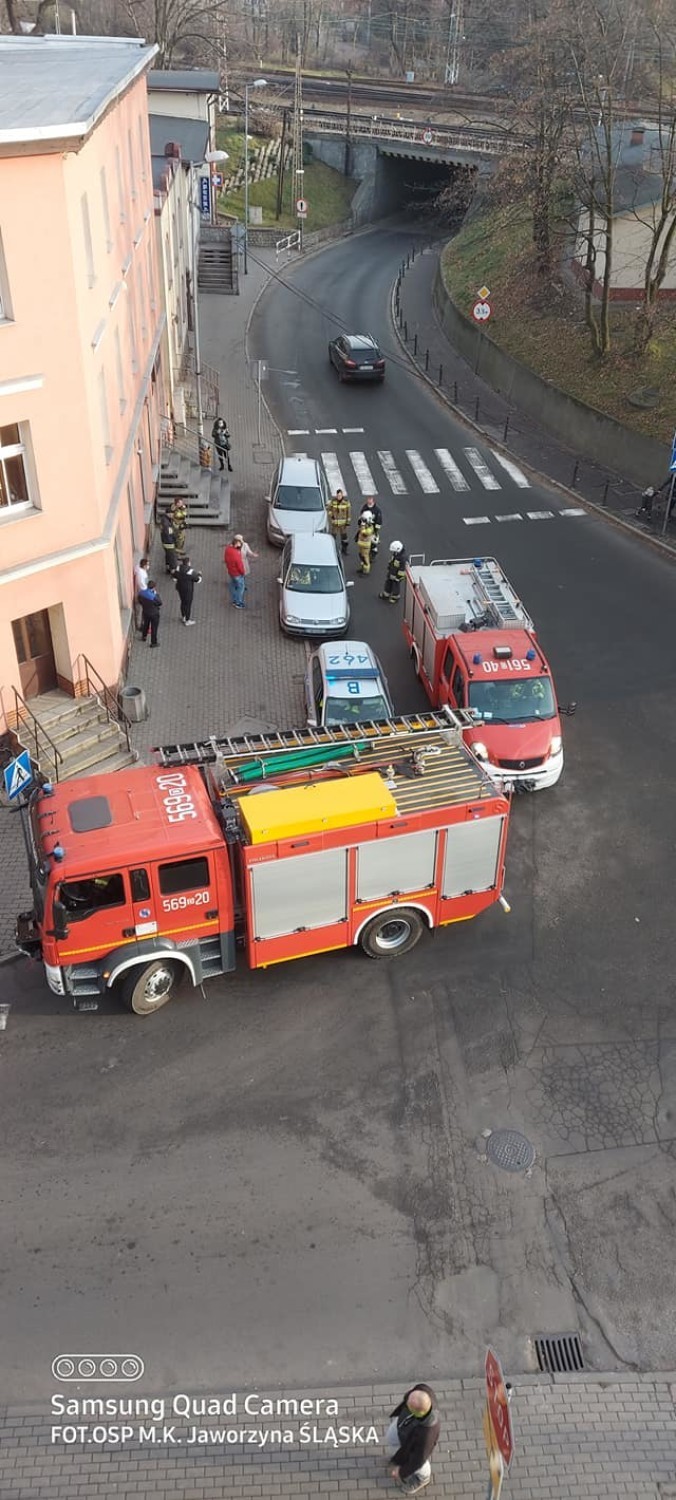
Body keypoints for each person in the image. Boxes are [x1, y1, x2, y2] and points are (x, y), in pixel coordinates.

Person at [384, 1385, 440, 1495]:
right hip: (405, 1428)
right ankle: (399, 1458)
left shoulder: (427, 1435)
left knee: (419, 1463)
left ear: (416, 1413)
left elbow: (418, 1460)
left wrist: (401, 1472)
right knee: (391, 1438)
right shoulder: (422, 1391)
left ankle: (422, 1478)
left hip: (414, 1444)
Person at [174, 555, 202, 626]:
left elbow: (174, 577)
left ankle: (183, 616)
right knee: (188, 605)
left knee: (182, 602)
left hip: (180, 588)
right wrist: (199, 575)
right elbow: (198, 580)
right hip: (188, 590)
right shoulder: (191, 571)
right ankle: (187, 620)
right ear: (188, 563)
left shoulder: (178, 568)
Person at [224, 535, 247, 608]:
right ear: (237, 543)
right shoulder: (236, 554)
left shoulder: (228, 549)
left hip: (231, 571)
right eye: (240, 543)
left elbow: (225, 559)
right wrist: (243, 572)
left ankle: (234, 599)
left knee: (232, 585)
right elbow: (240, 566)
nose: (241, 544)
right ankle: (238, 602)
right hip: (237, 574)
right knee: (241, 587)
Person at [138, 581, 162, 647]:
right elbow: (160, 603)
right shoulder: (153, 596)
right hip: (154, 614)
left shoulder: (141, 593)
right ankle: (153, 643)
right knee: (154, 628)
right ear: (154, 588)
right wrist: (156, 594)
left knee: (146, 624)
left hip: (145, 612)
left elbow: (139, 600)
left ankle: (144, 636)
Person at [327, 488, 351, 554]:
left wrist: (348, 522)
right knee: (333, 537)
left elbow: (348, 513)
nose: (339, 497)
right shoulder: (333, 501)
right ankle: (332, 550)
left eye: (340, 495)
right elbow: (328, 509)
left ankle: (344, 549)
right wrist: (331, 515)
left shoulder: (346, 502)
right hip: (335, 523)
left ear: (342, 495)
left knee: (344, 538)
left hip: (343, 525)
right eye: (338, 495)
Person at [355, 508, 375, 574]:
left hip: (366, 545)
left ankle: (366, 571)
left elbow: (364, 533)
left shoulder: (370, 528)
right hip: (361, 543)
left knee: (365, 558)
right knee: (361, 556)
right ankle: (362, 568)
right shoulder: (365, 525)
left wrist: (363, 526)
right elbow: (359, 527)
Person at [134, 556, 149, 630]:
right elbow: (142, 585)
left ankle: (141, 623)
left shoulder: (139, 569)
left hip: (141, 592)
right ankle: (140, 625)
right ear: (144, 566)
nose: (148, 566)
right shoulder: (141, 574)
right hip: (142, 593)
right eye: (148, 565)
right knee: (140, 610)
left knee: (141, 610)